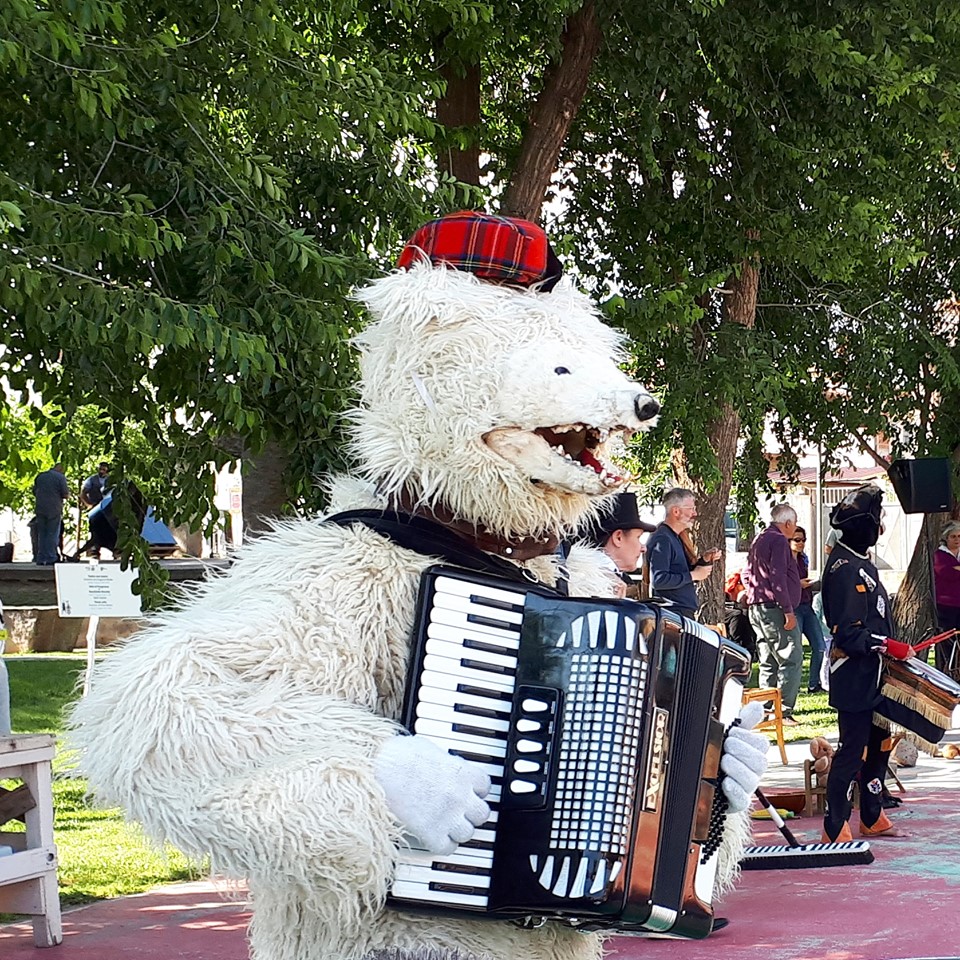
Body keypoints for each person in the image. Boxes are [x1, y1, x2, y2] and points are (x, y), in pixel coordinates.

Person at [819, 483, 937, 842]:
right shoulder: (843, 568)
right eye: (878, 520)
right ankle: (834, 824)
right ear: (863, 526)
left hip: (875, 673)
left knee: (881, 744)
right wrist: (889, 645)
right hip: (855, 675)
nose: (882, 527)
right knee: (852, 749)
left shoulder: (860, 562)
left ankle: (872, 814)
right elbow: (848, 634)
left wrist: (889, 648)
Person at [741, 503, 803, 724]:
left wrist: (750, 594)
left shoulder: (760, 539)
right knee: (791, 657)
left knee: (768, 658)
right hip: (774, 607)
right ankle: (783, 709)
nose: (794, 529)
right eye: (794, 524)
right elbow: (778, 577)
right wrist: (787, 610)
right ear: (787, 523)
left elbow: (746, 573)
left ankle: (765, 708)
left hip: (758, 607)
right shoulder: (778, 540)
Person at [645, 487, 721, 619]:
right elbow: (659, 580)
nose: (695, 513)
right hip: (672, 614)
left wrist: (704, 560)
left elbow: (679, 571)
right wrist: (694, 575)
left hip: (678, 613)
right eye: (691, 509)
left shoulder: (674, 537)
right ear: (676, 511)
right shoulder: (663, 539)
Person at [581, 491, 656, 597]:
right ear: (618, 538)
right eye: (638, 537)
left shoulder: (599, 575)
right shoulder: (597, 582)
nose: (643, 548)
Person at [790, 525, 826, 693]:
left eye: (803, 540)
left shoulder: (803, 559)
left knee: (819, 646)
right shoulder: (784, 560)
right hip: (793, 607)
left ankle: (813, 683)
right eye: (797, 540)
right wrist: (799, 584)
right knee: (795, 650)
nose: (801, 543)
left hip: (806, 605)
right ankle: (791, 688)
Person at [933, 520, 960, 676]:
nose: (957, 539)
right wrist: (954, 570)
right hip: (946, 605)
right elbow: (946, 573)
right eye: (953, 536)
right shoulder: (939, 555)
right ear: (946, 538)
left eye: (959, 536)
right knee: (947, 640)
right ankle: (947, 671)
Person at [32, 464, 69, 565]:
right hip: (54, 509)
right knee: (52, 533)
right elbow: (65, 494)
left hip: (40, 508)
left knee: (41, 534)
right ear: (61, 469)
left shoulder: (40, 476)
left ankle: (40, 558)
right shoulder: (60, 477)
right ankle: (51, 557)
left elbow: (34, 491)